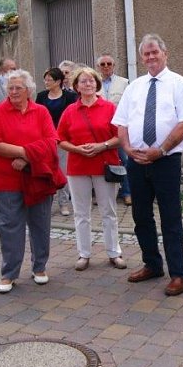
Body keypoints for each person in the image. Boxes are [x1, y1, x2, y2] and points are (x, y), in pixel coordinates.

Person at [112, 33, 183, 297]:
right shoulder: (134, 87)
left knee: (171, 218)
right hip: (136, 160)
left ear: (165, 53)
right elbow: (121, 123)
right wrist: (127, 149)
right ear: (142, 58)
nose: (150, 57)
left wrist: (160, 150)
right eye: (146, 54)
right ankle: (152, 264)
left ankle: (178, 274)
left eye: (155, 52)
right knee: (141, 217)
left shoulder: (180, 84)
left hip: (166, 160)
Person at [0, 69, 65, 294]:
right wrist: (24, 152)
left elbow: (52, 141)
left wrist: (26, 157)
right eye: (10, 88)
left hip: (37, 177)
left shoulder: (40, 111)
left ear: (28, 90)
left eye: (18, 88)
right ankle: (9, 273)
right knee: (9, 226)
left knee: (40, 224)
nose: (13, 92)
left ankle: (39, 267)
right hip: (7, 179)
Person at [58, 66, 126, 271]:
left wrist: (101, 146)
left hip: (104, 164)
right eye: (83, 81)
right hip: (78, 166)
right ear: (76, 86)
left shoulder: (109, 108)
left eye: (91, 81)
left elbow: (120, 136)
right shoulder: (70, 111)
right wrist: (77, 149)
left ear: (97, 84)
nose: (87, 84)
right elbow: (60, 138)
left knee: (109, 211)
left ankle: (114, 252)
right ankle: (84, 254)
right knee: (81, 213)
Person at [36, 67, 78, 216]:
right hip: (45, 140)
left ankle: (64, 203)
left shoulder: (70, 97)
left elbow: (73, 117)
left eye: (49, 80)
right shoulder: (41, 96)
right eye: (45, 79)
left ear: (58, 81)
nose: (46, 82)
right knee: (46, 170)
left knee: (63, 171)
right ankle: (47, 201)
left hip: (63, 140)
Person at [96, 53, 132, 205]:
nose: (106, 67)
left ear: (114, 65)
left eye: (109, 64)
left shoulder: (124, 83)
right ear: (98, 67)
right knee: (100, 161)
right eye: (103, 64)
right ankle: (100, 195)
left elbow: (129, 105)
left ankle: (127, 192)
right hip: (99, 128)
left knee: (123, 159)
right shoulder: (94, 83)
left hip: (118, 128)